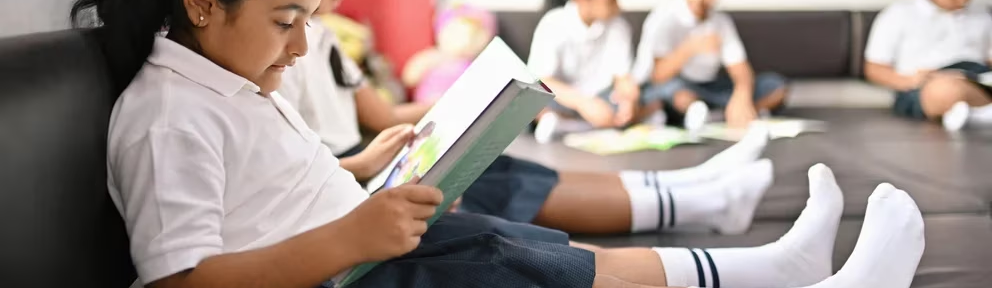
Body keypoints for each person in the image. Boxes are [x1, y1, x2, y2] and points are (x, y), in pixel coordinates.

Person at [75, 0, 926, 287]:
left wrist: (361, 168)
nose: (301, 48)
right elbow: (185, 277)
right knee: (543, 269)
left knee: (561, 257)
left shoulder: (230, 86)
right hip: (354, 270)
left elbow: (254, 203)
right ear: (199, 4)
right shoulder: (166, 118)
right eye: (285, 20)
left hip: (363, 244)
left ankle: (778, 267)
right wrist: (349, 234)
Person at [282, 3, 776, 236]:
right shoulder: (286, 39)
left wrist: (468, 101)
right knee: (485, 184)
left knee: (503, 164)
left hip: (361, 156)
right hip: (343, 168)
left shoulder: (324, 39)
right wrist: (362, 165)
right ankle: (702, 200)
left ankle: (694, 186)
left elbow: (382, 114)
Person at [631, 0, 788, 129]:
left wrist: (742, 94)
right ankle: (703, 112)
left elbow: (740, 68)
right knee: (674, 91)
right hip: (677, 86)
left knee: (775, 85)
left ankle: (729, 114)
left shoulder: (720, 22)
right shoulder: (664, 18)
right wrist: (689, 49)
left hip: (711, 88)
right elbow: (658, 75)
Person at [527, 0, 667, 143]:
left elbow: (622, 77)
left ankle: (572, 126)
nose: (618, 7)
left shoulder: (618, 26)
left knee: (649, 97)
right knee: (534, 101)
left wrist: (628, 99)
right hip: (566, 98)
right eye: (611, 1)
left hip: (603, 99)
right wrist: (583, 103)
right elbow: (543, 79)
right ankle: (564, 123)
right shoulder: (552, 23)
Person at [864, 0, 992, 131]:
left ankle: (978, 115)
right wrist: (910, 81)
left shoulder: (982, 12)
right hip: (925, 83)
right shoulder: (899, 13)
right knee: (944, 90)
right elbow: (874, 69)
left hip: (978, 77)